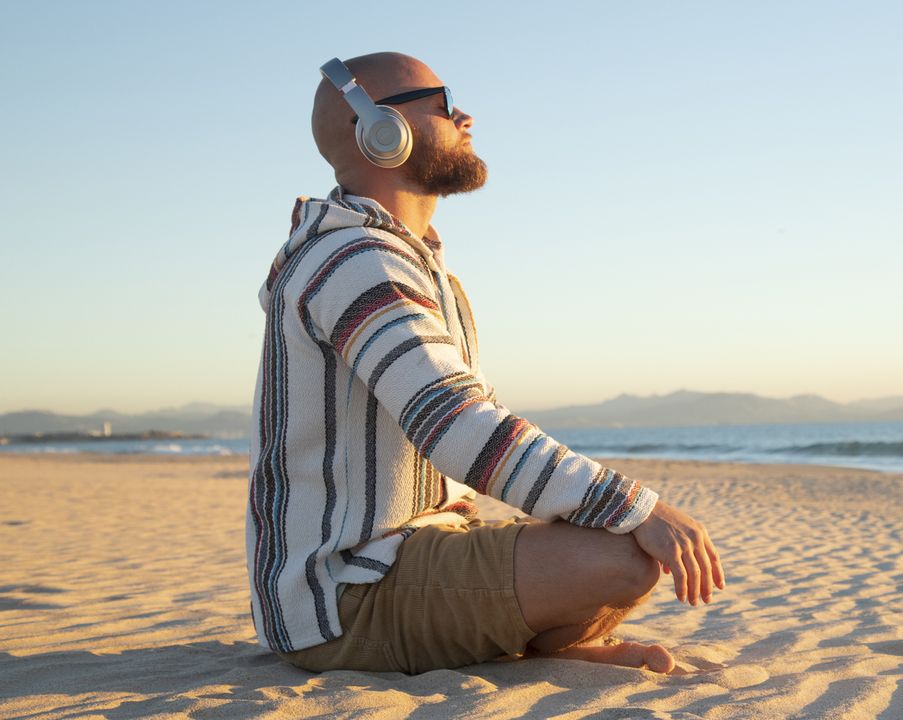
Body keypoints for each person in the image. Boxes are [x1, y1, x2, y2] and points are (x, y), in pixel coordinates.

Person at [245, 51, 724, 676]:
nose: (465, 115)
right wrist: (639, 506)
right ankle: (539, 646)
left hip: (411, 556)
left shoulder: (407, 261)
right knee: (625, 554)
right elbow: (458, 425)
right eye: (441, 103)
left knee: (610, 540)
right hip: (345, 596)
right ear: (378, 129)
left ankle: (542, 645)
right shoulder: (354, 259)